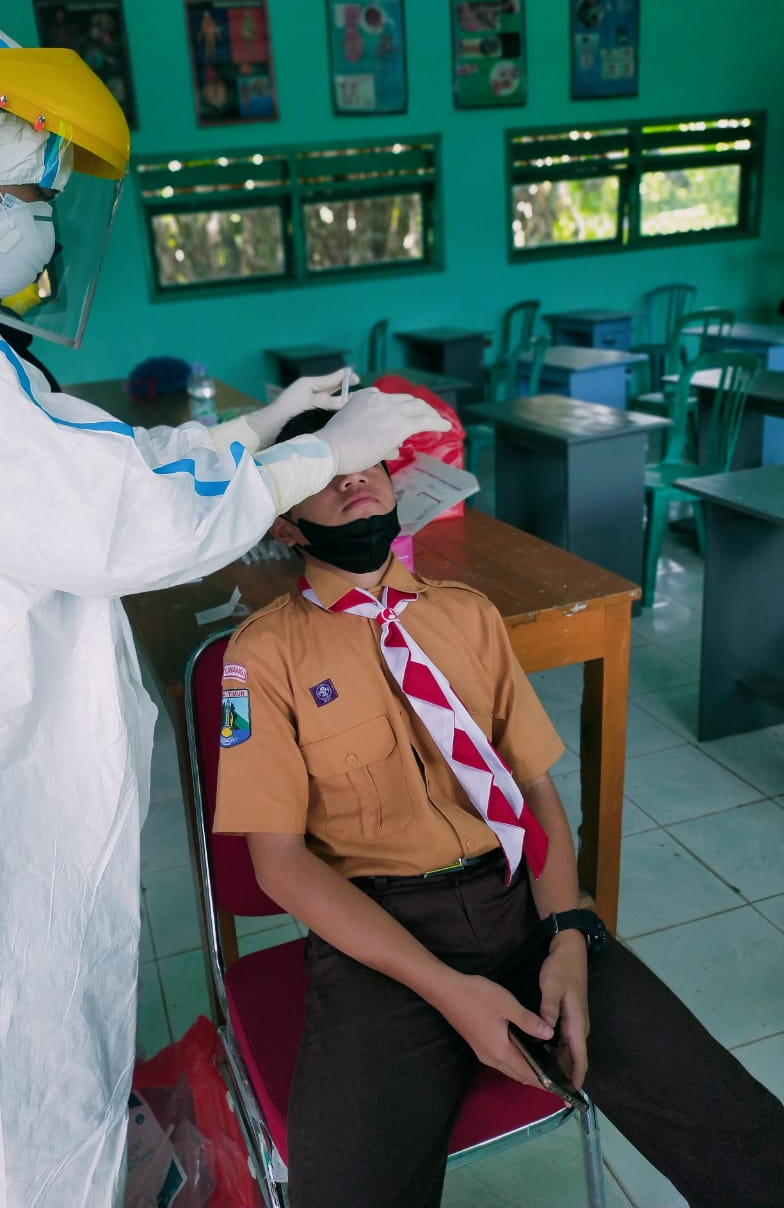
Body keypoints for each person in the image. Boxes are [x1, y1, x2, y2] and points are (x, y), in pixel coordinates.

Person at [0, 6, 448, 1208]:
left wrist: (252, 433)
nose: (37, 227)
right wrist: (308, 466)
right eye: (31, 193)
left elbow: (66, 450)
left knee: (54, 1048)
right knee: (24, 1099)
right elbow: (101, 515)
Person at [214, 406, 784, 1208]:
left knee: (742, 1133)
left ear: (392, 482)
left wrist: (571, 935)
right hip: (383, 944)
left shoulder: (466, 614)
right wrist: (450, 993)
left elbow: (536, 789)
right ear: (287, 520)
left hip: (520, 902)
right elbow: (278, 862)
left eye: (368, 462)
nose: (353, 478)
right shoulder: (263, 656)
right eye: (321, 470)